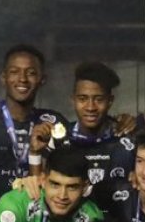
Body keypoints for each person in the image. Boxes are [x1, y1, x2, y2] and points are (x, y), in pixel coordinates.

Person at [0, 44, 67, 219]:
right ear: (3, 77)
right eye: (14, 72)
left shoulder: (54, 123)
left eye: (31, 73)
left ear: (42, 79)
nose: (22, 79)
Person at [46, 61, 134, 190]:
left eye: (99, 99)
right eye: (82, 99)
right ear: (73, 100)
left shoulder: (127, 138)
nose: (90, 107)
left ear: (110, 101)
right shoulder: (59, 138)